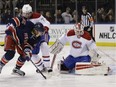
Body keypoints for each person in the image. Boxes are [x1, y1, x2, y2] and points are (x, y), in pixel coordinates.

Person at [21, 4, 52, 72]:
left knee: (44, 45)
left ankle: (47, 66)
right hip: (31, 38)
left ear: (31, 12)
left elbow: (46, 22)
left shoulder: (37, 16)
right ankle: (41, 67)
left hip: (40, 34)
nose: (26, 15)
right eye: (25, 13)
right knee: (33, 53)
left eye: (28, 13)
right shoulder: (21, 19)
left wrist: (45, 29)